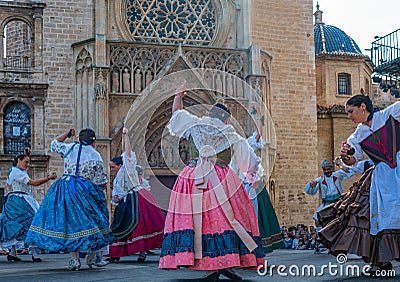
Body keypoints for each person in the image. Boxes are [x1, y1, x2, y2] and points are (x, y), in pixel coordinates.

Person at [159, 82, 264, 281]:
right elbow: (248, 163)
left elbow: (176, 115)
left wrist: (178, 95)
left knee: (198, 221)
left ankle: (209, 265)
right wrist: (252, 176)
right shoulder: (231, 134)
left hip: (193, 177)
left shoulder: (195, 124)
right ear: (228, 119)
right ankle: (227, 263)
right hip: (223, 179)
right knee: (226, 219)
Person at [317, 95, 400, 273]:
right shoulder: (358, 134)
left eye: (351, 111)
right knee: (375, 216)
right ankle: (381, 263)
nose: (349, 116)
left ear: (363, 107)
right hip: (382, 178)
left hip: (398, 170)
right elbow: (353, 159)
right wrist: (346, 157)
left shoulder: (389, 115)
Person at [25, 128, 114, 271]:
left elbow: (53, 143)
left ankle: (75, 260)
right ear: (94, 141)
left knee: (70, 224)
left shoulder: (69, 147)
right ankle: (93, 256)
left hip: (64, 189)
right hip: (83, 191)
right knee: (92, 222)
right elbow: (100, 180)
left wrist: (67, 134)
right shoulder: (95, 155)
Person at [230, 102, 283, 253]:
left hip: (248, 185)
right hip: (235, 187)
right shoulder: (224, 150)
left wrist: (258, 114)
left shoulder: (245, 145)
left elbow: (259, 132)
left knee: (254, 217)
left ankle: (254, 250)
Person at [107, 127, 165, 263]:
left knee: (140, 226)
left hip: (137, 198)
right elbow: (118, 192)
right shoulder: (117, 178)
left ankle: (141, 251)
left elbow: (128, 153)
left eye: (113, 167)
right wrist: (116, 199)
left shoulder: (127, 167)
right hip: (128, 200)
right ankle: (116, 253)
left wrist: (126, 136)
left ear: (121, 165)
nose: (111, 170)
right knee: (123, 225)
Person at [0, 148, 57, 262]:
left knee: (17, 225)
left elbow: (22, 168)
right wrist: (48, 178)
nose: (28, 164)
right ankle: (34, 253)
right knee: (30, 223)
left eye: (29, 162)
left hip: (18, 200)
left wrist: (26, 154)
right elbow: (33, 183)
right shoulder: (17, 172)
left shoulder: (16, 170)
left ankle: (12, 252)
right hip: (19, 201)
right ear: (19, 161)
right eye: (26, 162)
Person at [304, 159, 353, 225]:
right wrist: (311, 185)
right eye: (325, 170)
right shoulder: (320, 180)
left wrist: (340, 164)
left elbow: (349, 172)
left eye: (328, 169)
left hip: (338, 202)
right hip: (326, 203)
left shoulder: (337, 175)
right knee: (317, 220)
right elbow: (310, 191)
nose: (327, 171)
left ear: (331, 168)